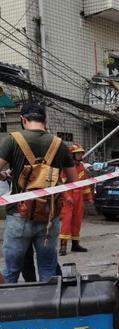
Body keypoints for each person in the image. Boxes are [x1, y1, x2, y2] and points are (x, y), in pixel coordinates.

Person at [0, 102, 77, 284]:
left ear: (23, 120)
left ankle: (7, 311)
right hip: (49, 218)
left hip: (19, 215)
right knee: (48, 269)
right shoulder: (59, 144)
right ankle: (47, 310)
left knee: (11, 271)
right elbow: (73, 180)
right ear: (45, 120)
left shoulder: (12, 140)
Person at [59, 143, 92, 255]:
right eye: (77, 154)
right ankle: (63, 247)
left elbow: (85, 184)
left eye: (80, 154)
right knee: (66, 221)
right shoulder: (65, 167)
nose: (80, 156)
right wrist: (66, 196)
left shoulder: (81, 167)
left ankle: (75, 244)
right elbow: (61, 184)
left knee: (77, 221)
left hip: (79, 197)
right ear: (72, 155)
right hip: (68, 196)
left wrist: (89, 197)